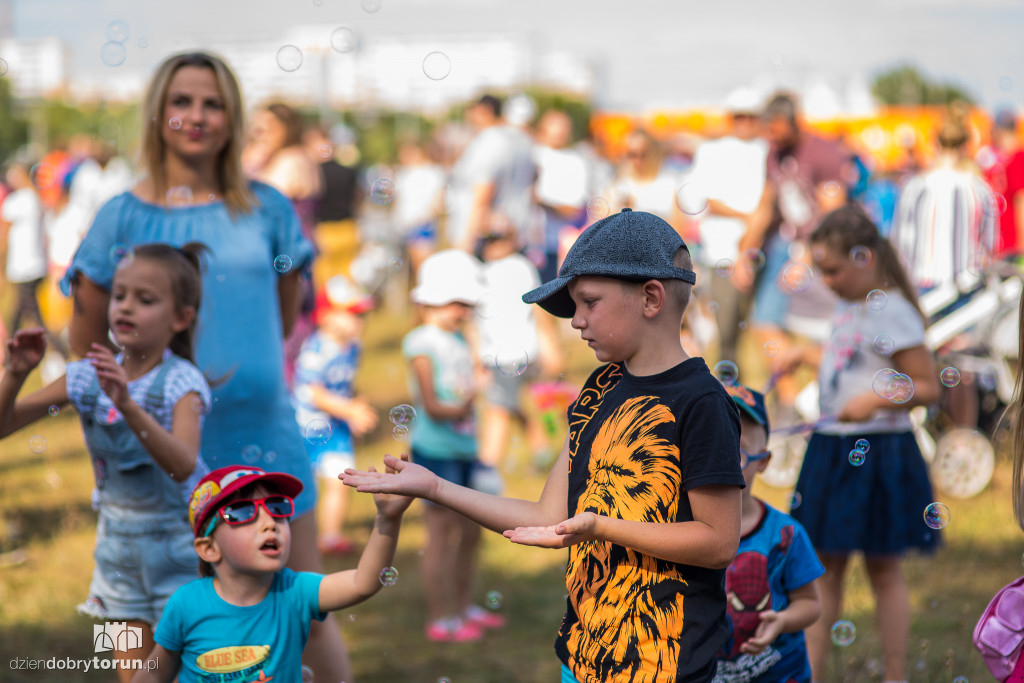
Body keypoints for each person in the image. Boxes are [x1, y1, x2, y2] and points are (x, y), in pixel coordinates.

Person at [343, 209, 745, 682]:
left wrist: (600, 526)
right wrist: (435, 488)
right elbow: (547, 515)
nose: (576, 322)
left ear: (651, 298)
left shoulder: (702, 403)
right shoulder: (599, 389)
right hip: (581, 658)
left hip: (662, 665)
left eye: (588, 302)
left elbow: (718, 542)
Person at [61, 51, 352, 682]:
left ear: (233, 116)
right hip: (158, 453)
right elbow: (86, 339)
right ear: (158, 112)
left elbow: (282, 320)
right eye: (182, 101)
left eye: (213, 103)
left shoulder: (268, 208)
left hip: (263, 433)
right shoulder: (120, 215)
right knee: (152, 632)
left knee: (303, 616)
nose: (197, 116)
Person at [0, 243, 211, 681]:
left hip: (181, 551)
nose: (125, 307)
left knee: (190, 671)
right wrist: (15, 374)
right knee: (131, 674)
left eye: (145, 299)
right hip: (116, 552)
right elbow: (4, 426)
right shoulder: (84, 376)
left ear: (180, 318)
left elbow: (183, 464)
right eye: (120, 295)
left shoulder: (183, 383)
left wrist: (127, 405)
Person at [772, 205, 940, 683]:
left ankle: (894, 675)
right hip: (832, 448)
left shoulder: (896, 312)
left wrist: (875, 400)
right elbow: (853, 359)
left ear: (864, 258)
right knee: (821, 571)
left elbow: (927, 386)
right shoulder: (850, 304)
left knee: (883, 569)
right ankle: (811, 674)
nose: (826, 282)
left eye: (833, 270)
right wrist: (807, 354)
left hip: (878, 454)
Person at [132, 463, 412, 683]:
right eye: (242, 512)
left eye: (278, 508)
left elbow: (362, 583)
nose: (270, 522)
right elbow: (156, 673)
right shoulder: (186, 605)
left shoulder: (294, 592)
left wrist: (387, 518)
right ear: (209, 548)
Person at [402, 248, 507, 642]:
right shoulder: (420, 342)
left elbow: (476, 375)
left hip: (464, 449)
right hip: (436, 452)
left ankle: (463, 607)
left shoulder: (462, 336)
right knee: (441, 535)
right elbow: (432, 405)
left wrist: (474, 339)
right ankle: (439, 615)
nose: (465, 311)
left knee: (471, 533)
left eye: (468, 305)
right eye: (459, 303)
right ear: (434, 299)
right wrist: (463, 405)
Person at [713, 383, 823, 683]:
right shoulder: (679, 531)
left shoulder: (786, 535)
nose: (721, 460)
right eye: (712, 445)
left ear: (762, 461)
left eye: (736, 451)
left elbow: (811, 604)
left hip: (780, 673)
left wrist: (783, 621)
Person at [292, 274, 378, 555]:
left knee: (339, 480)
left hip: (336, 428)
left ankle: (330, 537)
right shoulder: (316, 349)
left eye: (361, 314)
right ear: (326, 317)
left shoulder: (354, 347)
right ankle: (296, 532)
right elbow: (315, 393)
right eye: (352, 314)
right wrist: (350, 409)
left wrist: (353, 410)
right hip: (305, 428)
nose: (359, 321)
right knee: (302, 486)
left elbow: (347, 385)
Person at [475, 218, 564, 473]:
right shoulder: (483, 271)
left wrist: (551, 347)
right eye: (488, 241)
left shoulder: (518, 267)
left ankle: (486, 468)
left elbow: (538, 309)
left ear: (513, 240)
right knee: (513, 404)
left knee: (498, 409)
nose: (492, 246)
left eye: (498, 240)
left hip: (511, 353)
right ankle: (541, 448)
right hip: (508, 353)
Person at [686, 87, 768, 362]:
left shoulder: (766, 149)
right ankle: (728, 384)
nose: (745, 123)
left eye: (750, 117)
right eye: (739, 117)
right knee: (727, 329)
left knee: (752, 326)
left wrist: (756, 222)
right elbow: (706, 200)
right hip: (723, 251)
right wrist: (749, 217)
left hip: (760, 248)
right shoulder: (712, 151)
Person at [445, 93, 537, 251]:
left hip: (485, 238)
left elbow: (484, 186)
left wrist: (468, 238)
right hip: (513, 233)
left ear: (484, 110)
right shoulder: (524, 140)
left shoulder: (490, 139)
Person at [303, 125, 363, 289]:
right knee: (347, 282)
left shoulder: (313, 173)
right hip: (349, 228)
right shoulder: (349, 171)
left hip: (324, 231)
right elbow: (358, 197)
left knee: (323, 284)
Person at [532, 109, 588, 282]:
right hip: (528, 244)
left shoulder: (576, 162)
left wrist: (542, 202)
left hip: (556, 247)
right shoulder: (532, 155)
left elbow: (573, 210)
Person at [977, 108, 1024, 258]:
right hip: (997, 244)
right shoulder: (999, 158)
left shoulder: (1018, 157)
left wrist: (1021, 246)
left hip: (1012, 246)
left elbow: (1021, 201)